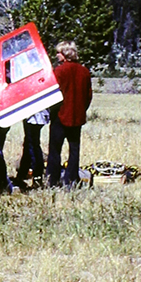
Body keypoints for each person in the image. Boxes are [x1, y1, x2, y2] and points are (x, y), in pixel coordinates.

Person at [48, 40, 93, 188]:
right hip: (77, 116)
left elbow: (53, 94)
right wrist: (81, 109)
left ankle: (53, 180)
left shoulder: (59, 71)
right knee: (74, 150)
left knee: (55, 150)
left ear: (65, 54)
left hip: (60, 116)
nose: (57, 55)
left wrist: (52, 110)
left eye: (58, 53)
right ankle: (71, 179)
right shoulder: (84, 72)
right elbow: (88, 96)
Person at [15, 108, 48, 189]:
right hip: (34, 115)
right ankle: (22, 174)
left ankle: (37, 176)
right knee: (28, 143)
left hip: (34, 116)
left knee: (33, 145)